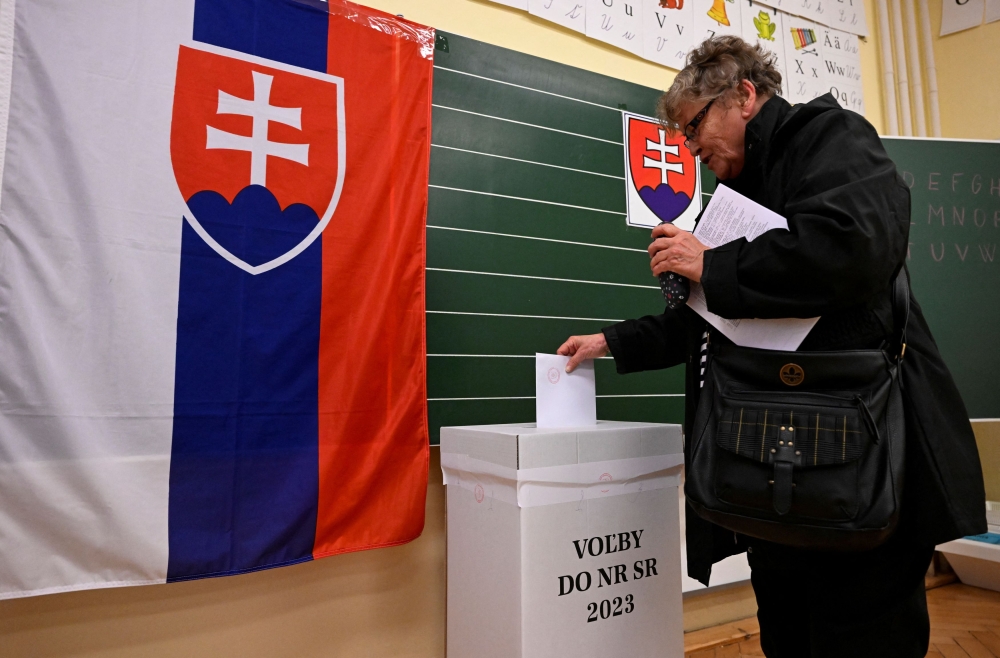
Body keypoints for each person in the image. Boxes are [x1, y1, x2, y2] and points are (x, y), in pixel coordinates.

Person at [557, 36, 986, 657]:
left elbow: (854, 248)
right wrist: (611, 341)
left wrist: (714, 264)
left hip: (860, 456)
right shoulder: (736, 196)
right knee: (786, 635)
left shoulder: (832, 137)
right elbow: (707, 319)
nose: (689, 146)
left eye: (694, 124)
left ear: (745, 97)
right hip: (765, 463)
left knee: (865, 635)